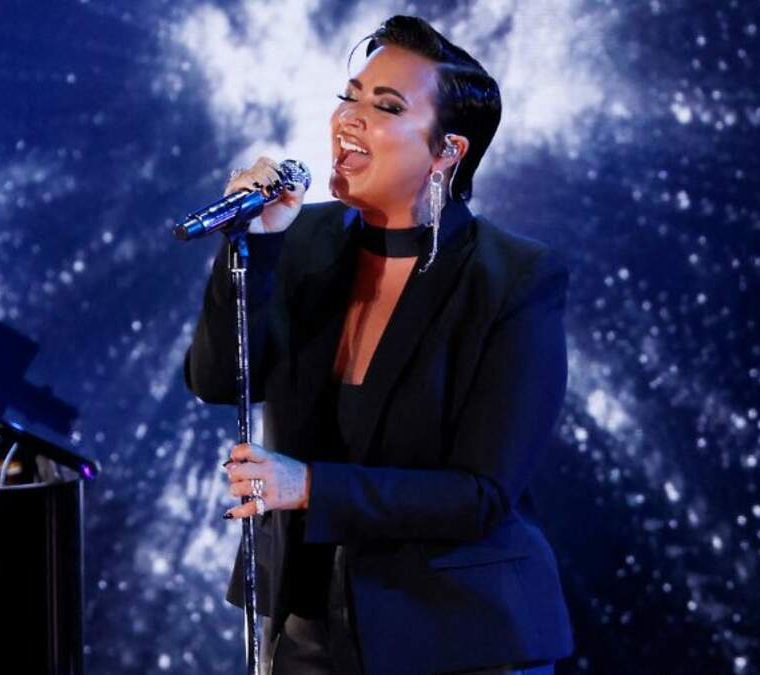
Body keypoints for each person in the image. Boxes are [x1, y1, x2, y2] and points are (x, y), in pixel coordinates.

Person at [185, 15, 572, 675]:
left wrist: (309, 485)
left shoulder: (513, 278)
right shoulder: (299, 241)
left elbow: (481, 494)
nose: (350, 118)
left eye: (386, 106)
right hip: (309, 621)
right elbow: (216, 379)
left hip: (457, 631)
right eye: (350, 96)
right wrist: (258, 246)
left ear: (447, 151)